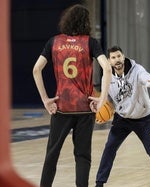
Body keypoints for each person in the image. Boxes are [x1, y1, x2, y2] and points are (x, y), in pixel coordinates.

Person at [32, 4, 112, 187]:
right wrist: (102, 99)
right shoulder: (90, 43)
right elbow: (107, 68)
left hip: (62, 107)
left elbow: (36, 69)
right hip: (85, 108)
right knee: (82, 156)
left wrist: (45, 99)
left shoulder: (54, 42)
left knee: (52, 154)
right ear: (86, 22)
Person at [89, 46, 150, 187]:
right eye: (113, 58)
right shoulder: (106, 78)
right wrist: (100, 108)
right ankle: (99, 183)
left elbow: (145, 77)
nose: (117, 60)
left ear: (123, 56)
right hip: (122, 119)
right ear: (109, 61)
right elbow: (107, 100)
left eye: (119, 56)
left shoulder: (136, 69)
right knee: (109, 148)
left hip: (144, 118)